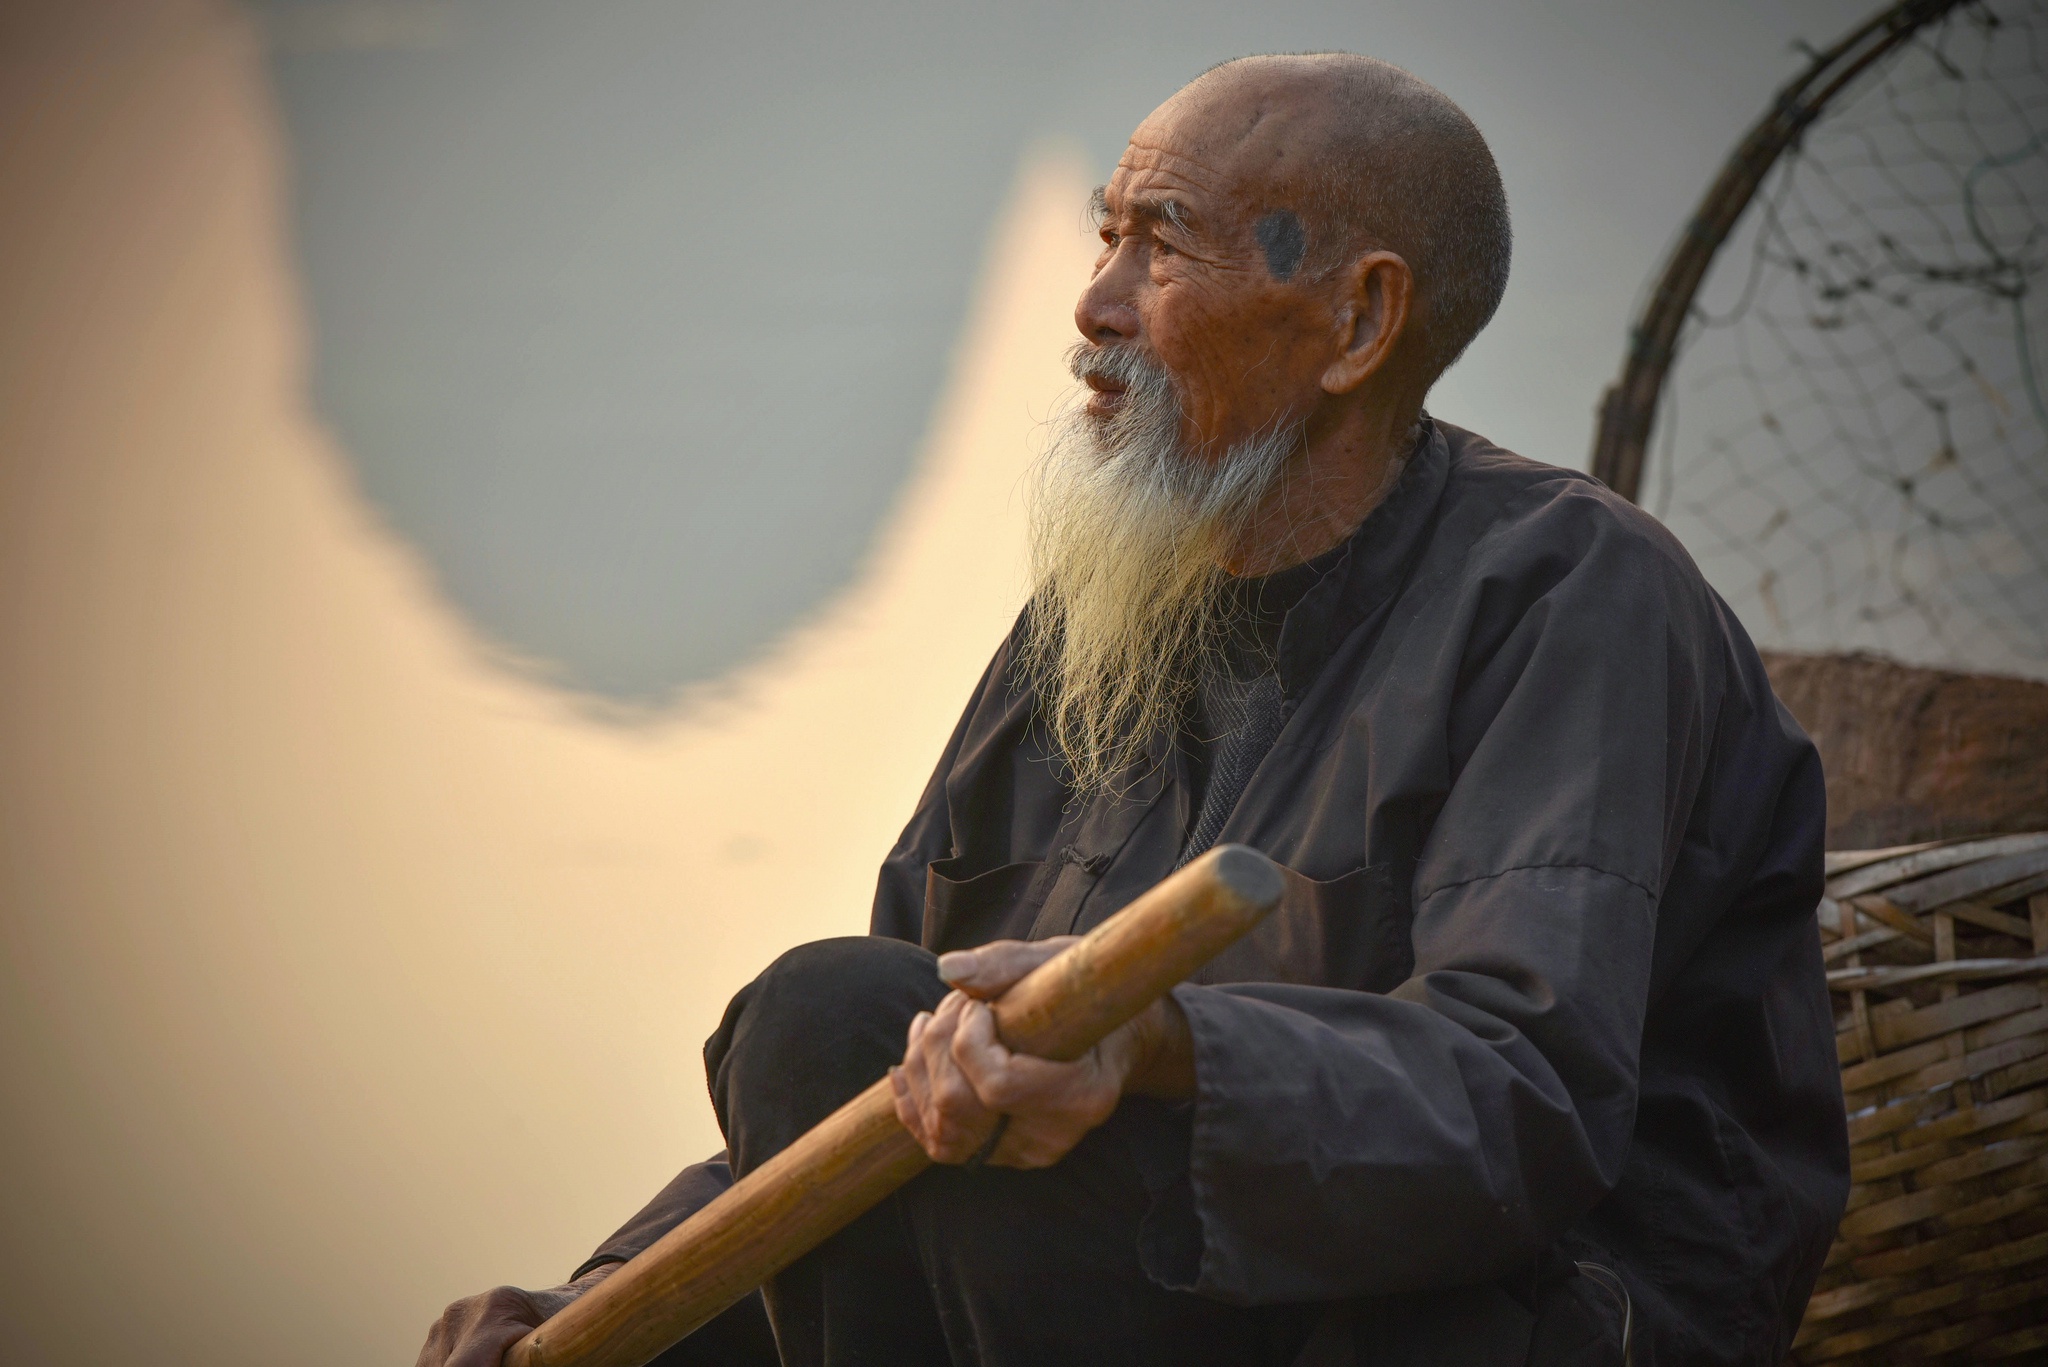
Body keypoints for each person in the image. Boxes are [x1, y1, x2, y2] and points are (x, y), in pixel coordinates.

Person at [416, 52, 1848, 1367]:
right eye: (1106, 234)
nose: (1094, 305)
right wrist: (592, 1301)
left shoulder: (1570, 593)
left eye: (1161, 246)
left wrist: (1154, 1051)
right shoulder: (1085, 634)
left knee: (898, 1049)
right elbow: (888, 1088)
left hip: (1505, 1317)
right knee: (844, 1025)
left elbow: (1521, 1100)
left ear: (1357, 317)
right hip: (1116, 1290)